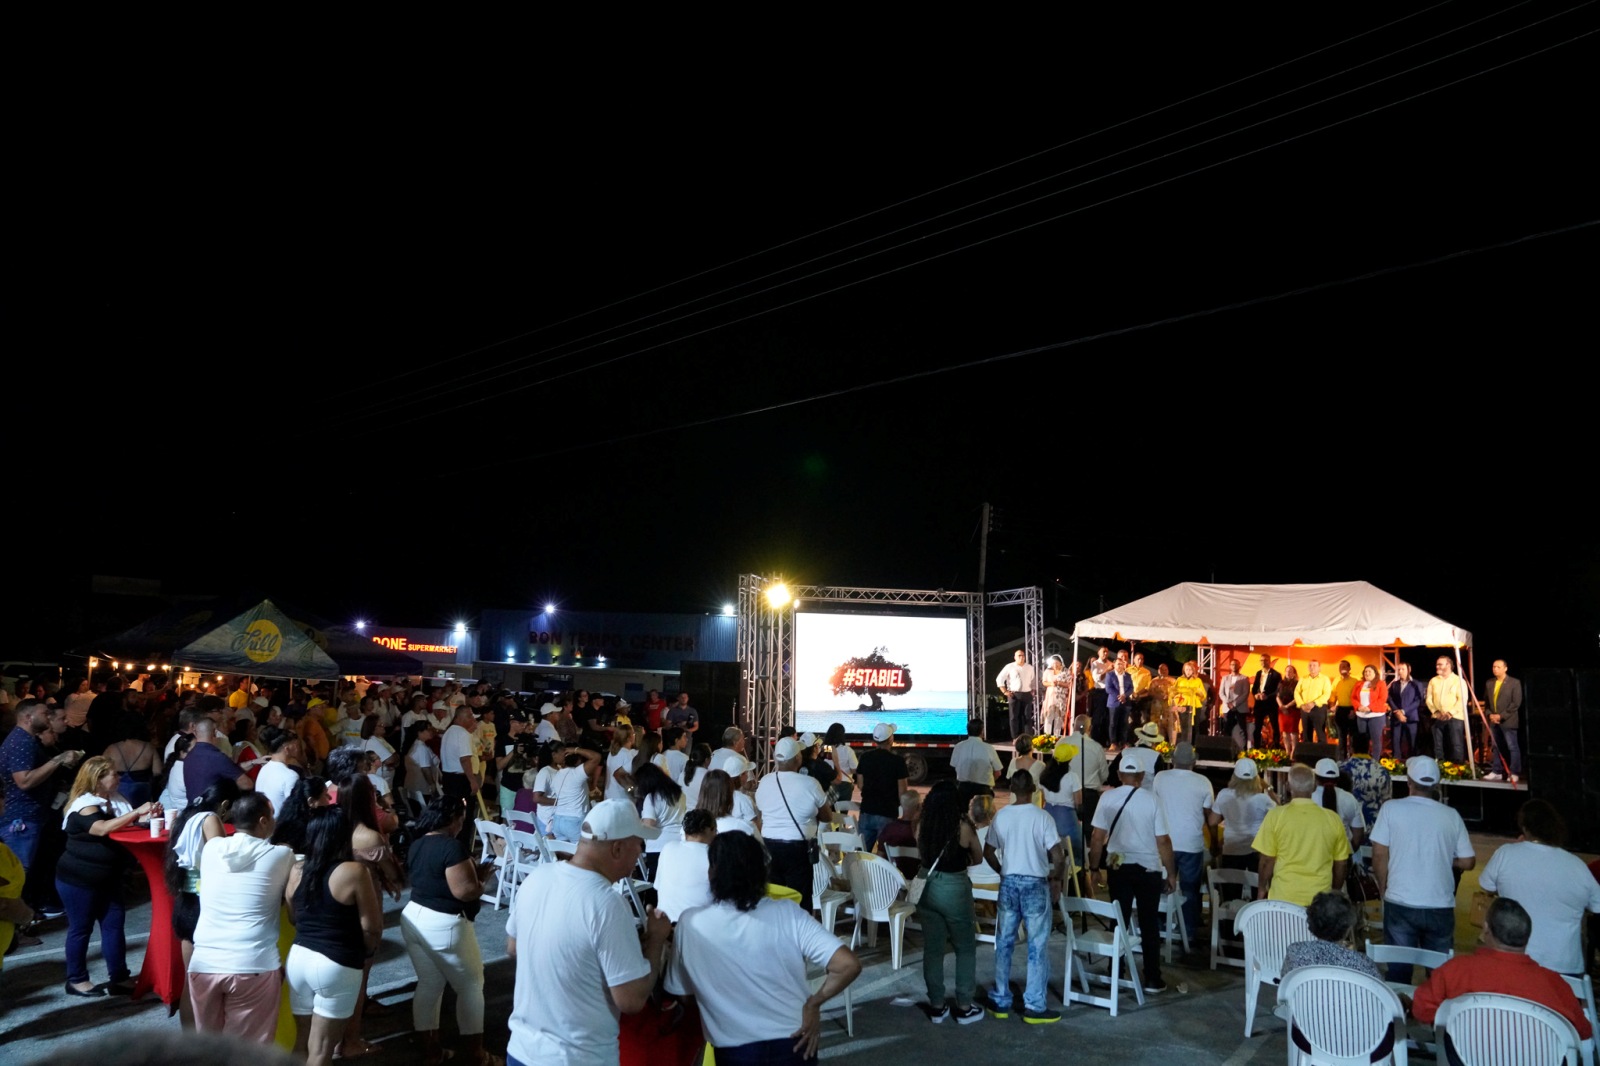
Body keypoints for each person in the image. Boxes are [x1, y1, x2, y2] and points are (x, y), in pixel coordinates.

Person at [667, 830, 862, 1064]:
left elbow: (683, 994)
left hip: (735, 1049)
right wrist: (814, 1003)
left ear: (712, 874)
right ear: (762, 872)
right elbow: (847, 965)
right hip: (795, 1041)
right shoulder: (788, 912)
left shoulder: (690, 923)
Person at [508, 799, 670, 1066]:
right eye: (638, 844)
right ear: (617, 848)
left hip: (522, 1050)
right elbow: (631, 1000)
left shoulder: (537, 877)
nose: (640, 853)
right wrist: (655, 940)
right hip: (577, 1057)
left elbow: (514, 947)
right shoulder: (607, 903)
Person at [188, 792, 293, 1045]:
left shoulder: (212, 848)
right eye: (272, 815)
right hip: (252, 964)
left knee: (207, 1049)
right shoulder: (281, 855)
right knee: (248, 1052)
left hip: (204, 963)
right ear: (263, 821)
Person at [1411, 897, 1591, 1041]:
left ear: (1486, 929)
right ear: (1527, 936)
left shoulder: (1454, 971)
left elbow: (1422, 1010)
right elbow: (1582, 1032)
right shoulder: (1556, 985)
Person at [286, 807, 385, 1066]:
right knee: (321, 1051)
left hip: (298, 958)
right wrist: (365, 951)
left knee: (301, 1042)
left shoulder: (297, 870)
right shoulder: (354, 871)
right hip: (337, 961)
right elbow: (372, 927)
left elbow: (293, 916)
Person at [403, 796, 496, 1066]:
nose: (461, 825)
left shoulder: (418, 843)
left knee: (429, 984)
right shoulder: (452, 847)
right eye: (461, 820)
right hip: (444, 924)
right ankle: (476, 1055)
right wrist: (481, 881)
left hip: (414, 916)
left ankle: (431, 1051)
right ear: (452, 819)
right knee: (471, 985)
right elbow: (464, 891)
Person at [1369, 755, 1475, 983]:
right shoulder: (1451, 815)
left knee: (1398, 970)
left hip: (1400, 900)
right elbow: (1468, 862)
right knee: (1439, 974)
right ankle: (1434, 1004)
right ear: (1436, 785)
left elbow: (1379, 854)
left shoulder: (1391, 809)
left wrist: (1383, 886)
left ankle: (1401, 1004)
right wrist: (1445, 859)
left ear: (1409, 782)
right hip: (1440, 904)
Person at [56, 756, 154, 996]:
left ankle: (119, 977)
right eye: (114, 774)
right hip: (79, 879)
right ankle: (76, 979)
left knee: (114, 926)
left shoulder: (116, 800)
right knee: (81, 928)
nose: (119, 777)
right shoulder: (84, 805)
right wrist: (137, 812)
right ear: (97, 779)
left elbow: (124, 825)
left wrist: (145, 817)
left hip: (109, 878)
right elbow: (101, 828)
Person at [1477, 799, 1600, 975]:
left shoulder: (1506, 853)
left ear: (1524, 827)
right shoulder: (1577, 865)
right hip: (1563, 963)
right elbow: (1596, 905)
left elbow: (1487, 886)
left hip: (1514, 959)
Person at [1088, 752, 1176, 995]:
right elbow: (1163, 840)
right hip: (1148, 867)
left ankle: (1115, 970)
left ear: (1119, 774)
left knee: (1119, 919)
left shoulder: (1107, 798)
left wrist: (1094, 868)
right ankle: (1152, 977)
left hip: (1117, 866)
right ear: (1142, 775)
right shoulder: (1152, 800)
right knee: (1149, 922)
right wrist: (1171, 873)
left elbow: (1097, 837)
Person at [983, 771, 1063, 1022]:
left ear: (1011, 790)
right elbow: (1058, 855)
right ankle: (1034, 1005)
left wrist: (1002, 871)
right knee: (1036, 945)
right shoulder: (1043, 817)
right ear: (1034, 789)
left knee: (1004, 942)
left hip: (1009, 883)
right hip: (1035, 885)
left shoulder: (1001, 816)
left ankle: (1001, 999)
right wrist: (1056, 880)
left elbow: (988, 851)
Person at [1, 699, 80, 918]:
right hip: (21, 819)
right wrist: (58, 760)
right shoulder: (21, 742)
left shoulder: (25, 740)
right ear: (28, 717)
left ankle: (24, 920)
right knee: (18, 874)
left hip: (27, 816)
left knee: (23, 872)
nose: (48, 717)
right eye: (44, 714)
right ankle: (16, 924)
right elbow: (24, 780)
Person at [913, 781, 984, 1024]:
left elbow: (922, 853)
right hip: (953, 887)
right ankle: (964, 1006)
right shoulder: (962, 826)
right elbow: (978, 857)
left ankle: (937, 1005)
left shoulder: (922, 824)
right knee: (964, 946)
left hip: (925, 884)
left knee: (933, 948)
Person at [1252, 764, 1350, 906]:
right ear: (1314, 787)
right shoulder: (1333, 819)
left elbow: (1267, 860)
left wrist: (1262, 888)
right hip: (1320, 900)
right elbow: (1341, 863)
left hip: (1283, 898)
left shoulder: (1276, 816)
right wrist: (1335, 891)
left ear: (1288, 786)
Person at [756, 736, 833, 909]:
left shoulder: (765, 781)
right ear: (798, 758)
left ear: (776, 759)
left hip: (768, 845)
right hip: (797, 848)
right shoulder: (810, 783)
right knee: (800, 899)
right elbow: (828, 816)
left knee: (774, 897)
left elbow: (761, 812)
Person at [1152, 741, 1213, 939]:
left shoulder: (1160, 778)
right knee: (1190, 888)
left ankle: (1159, 926)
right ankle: (1189, 932)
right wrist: (1214, 841)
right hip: (1191, 843)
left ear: (1173, 760)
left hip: (1164, 841)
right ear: (1194, 762)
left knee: (1162, 885)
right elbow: (1209, 815)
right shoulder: (1203, 782)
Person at [1208, 757, 1276, 878]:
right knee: (1257, 887)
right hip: (1256, 851)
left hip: (1231, 850)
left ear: (1234, 776)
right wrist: (1268, 788)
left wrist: (1215, 842)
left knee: (1232, 888)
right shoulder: (1262, 799)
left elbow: (1212, 821)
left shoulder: (1224, 794)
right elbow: (1280, 813)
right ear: (1256, 778)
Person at [654, 808, 717, 921]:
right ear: (710, 829)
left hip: (664, 923)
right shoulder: (714, 855)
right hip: (697, 926)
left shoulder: (668, 848)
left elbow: (658, 887)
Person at [855, 723, 907, 853]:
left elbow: (860, 785)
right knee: (885, 854)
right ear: (890, 740)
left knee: (861, 853)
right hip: (888, 812)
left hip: (867, 811)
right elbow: (903, 792)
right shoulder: (898, 761)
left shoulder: (865, 758)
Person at [635, 762, 687, 881]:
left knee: (658, 882)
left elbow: (648, 825)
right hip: (679, 841)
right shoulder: (680, 794)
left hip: (658, 846)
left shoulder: (652, 798)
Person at [104, 711, 162, 808]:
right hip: (142, 795)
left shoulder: (111, 749)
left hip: (118, 794)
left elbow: (101, 772)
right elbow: (158, 772)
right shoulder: (148, 747)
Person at [1039, 741, 1084, 868]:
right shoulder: (1072, 777)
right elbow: (1078, 802)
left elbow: (1043, 798)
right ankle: (1076, 874)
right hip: (1066, 816)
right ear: (1069, 759)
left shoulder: (1044, 775)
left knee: (1049, 847)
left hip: (1048, 812)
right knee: (1076, 848)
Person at [1481, 658, 1523, 782]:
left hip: (1508, 720)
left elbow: (1516, 703)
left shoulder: (1514, 683)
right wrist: (1490, 715)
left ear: (1505, 668)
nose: (1495, 669)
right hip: (1494, 721)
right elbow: (1487, 702)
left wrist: (1501, 716)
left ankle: (1514, 772)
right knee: (1495, 746)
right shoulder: (1489, 683)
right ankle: (1497, 771)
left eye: (1498, 667)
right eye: (1494, 667)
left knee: (1512, 746)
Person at [1311, 758, 1367, 849]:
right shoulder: (1349, 798)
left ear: (1315, 778)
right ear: (1337, 779)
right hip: (1343, 852)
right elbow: (1358, 834)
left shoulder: (1309, 797)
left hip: (1314, 852)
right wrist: (1349, 851)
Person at [256, 726, 305, 823]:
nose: (297, 747)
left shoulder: (263, 769)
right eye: (294, 744)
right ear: (286, 749)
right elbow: (296, 810)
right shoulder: (290, 776)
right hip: (283, 827)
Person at [1424, 656, 1468, 764]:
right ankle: (1440, 766)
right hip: (1437, 717)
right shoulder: (1433, 681)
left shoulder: (1458, 680)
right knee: (1438, 745)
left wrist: (1450, 713)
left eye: (1440, 664)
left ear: (1448, 665)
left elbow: (1462, 699)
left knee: (1456, 745)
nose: (1437, 666)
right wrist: (1436, 711)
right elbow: (1428, 699)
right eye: (1437, 664)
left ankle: (1458, 768)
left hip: (1455, 718)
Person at [949, 719, 1001, 805]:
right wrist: (989, 782)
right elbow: (998, 772)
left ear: (967, 731)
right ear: (982, 731)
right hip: (983, 790)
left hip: (963, 789)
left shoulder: (959, 746)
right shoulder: (988, 748)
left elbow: (954, 765)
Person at [873, 790, 922, 880]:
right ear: (918, 807)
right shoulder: (921, 832)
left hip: (894, 879)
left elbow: (879, 858)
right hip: (916, 879)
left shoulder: (889, 829)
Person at [995, 649, 1037, 739]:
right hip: (1014, 694)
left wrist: (1033, 690)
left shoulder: (1029, 667)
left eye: (1023, 655)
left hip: (1027, 693)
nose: (1021, 657)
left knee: (1027, 716)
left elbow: (1033, 680)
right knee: (1014, 717)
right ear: (1015, 657)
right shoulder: (1009, 666)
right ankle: (1015, 737)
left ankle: (1028, 737)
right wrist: (1005, 691)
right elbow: (999, 678)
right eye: (1019, 656)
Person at [1389, 662, 1425, 760]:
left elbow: (1418, 700)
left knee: (1412, 743)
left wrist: (1403, 711)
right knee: (1395, 742)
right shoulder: (1394, 684)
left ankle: (1412, 763)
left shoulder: (1416, 684)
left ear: (1409, 670)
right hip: (1396, 718)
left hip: (1411, 718)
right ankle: (1396, 762)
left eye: (1403, 669)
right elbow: (1389, 698)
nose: (1400, 671)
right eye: (1399, 669)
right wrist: (1397, 711)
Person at [1351, 665, 1389, 757]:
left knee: (1376, 740)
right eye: (1365, 671)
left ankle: (1375, 761)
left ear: (1375, 673)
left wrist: (1370, 708)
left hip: (1376, 716)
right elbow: (1353, 697)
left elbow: (1382, 699)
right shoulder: (1359, 684)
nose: (1367, 673)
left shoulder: (1381, 684)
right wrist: (1358, 706)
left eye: (1369, 671)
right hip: (1361, 716)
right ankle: (1364, 759)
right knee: (1363, 740)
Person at [1296, 661, 1335, 747]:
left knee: (1320, 733)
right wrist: (1301, 704)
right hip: (1305, 708)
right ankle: (1307, 753)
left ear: (1319, 668)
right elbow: (1297, 692)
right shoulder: (1303, 678)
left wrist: (1314, 703)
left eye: (1314, 665)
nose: (1312, 667)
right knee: (1306, 734)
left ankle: (1321, 753)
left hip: (1319, 708)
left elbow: (1327, 694)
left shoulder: (1325, 679)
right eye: (1310, 665)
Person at [1170, 661, 1207, 745]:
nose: (1188, 671)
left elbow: (1203, 695)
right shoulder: (1179, 680)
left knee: (1195, 726)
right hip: (1182, 705)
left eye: (1190, 669)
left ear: (1193, 670)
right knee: (1183, 725)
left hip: (1195, 705)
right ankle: (1183, 745)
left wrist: (1196, 692)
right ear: (1184, 670)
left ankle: (1194, 745)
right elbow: (1174, 691)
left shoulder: (1198, 680)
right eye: (1186, 669)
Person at [1103, 657, 1136, 748]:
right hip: (1114, 702)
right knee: (1113, 723)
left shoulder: (1128, 675)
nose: (1120, 666)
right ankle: (1113, 743)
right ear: (1114, 665)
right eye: (1118, 664)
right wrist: (1119, 696)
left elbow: (1131, 688)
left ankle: (1123, 742)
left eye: (1122, 664)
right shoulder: (1110, 675)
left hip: (1126, 702)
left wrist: (1125, 695)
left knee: (1124, 723)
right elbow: (1108, 688)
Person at [1218, 659, 1251, 751]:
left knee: (1242, 730)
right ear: (1230, 666)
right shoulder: (1225, 678)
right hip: (1227, 708)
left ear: (1239, 666)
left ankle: (1243, 751)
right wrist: (1228, 703)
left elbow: (1245, 693)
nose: (1234, 666)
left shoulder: (1244, 678)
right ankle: (1226, 750)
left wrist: (1234, 704)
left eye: (1236, 664)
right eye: (1232, 664)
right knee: (1227, 730)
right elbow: (1221, 693)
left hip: (1240, 708)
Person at [822, 723, 857, 804]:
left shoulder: (825, 749)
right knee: (842, 810)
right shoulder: (847, 750)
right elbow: (854, 769)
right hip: (845, 785)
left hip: (828, 783)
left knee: (829, 809)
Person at [1330, 660, 1359, 759]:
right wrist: (1332, 705)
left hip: (1351, 710)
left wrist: (1354, 710)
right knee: (1341, 737)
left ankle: (1353, 758)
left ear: (1349, 669)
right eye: (1340, 667)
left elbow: (1358, 697)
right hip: (1340, 710)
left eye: (1344, 666)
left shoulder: (1355, 681)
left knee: (1352, 736)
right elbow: (1333, 695)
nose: (1342, 668)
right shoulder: (1336, 681)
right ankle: (1342, 759)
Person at [1253, 655, 1282, 750]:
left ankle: (1276, 748)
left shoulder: (1276, 675)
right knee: (1257, 727)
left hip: (1271, 704)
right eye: (1261, 660)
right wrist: (1256, 694)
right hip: (1259, 704)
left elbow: (1278, 690)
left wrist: (1267, 696)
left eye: (1265, 660)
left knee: (1275, 727)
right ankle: (1256, 749)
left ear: (1269, 661)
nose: (1263, 662)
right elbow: (1254, 688)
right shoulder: (1258, 673)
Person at [1040, 655, 1070, 737]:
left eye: (1057, 663)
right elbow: (1044, 682)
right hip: (1050, 696)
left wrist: (1059, 683)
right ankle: (1047, 736)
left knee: (1058, 717)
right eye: (1053, 663)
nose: (1055, 665)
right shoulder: (1048, 671)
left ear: (1061, 663)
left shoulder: (1065, 672)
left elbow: (1069, 684)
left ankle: (1057, 736)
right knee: (1049, 716)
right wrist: (1051, 684)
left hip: (1061, 697)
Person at [1276, 665, 1301, 758]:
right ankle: (1287, 751)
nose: (1288, 673)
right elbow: (1277, 696)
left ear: (1294, 673)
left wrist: (1287, 706)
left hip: (1293, 709)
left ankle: (1293, 752)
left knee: (1293, 731)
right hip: (1282, 710)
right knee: (1285, 731)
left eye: (1290, 671)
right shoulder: (1281, 683)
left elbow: (1297, 697)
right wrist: (1281, 706)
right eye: (1287, 671)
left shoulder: (1297, 683)